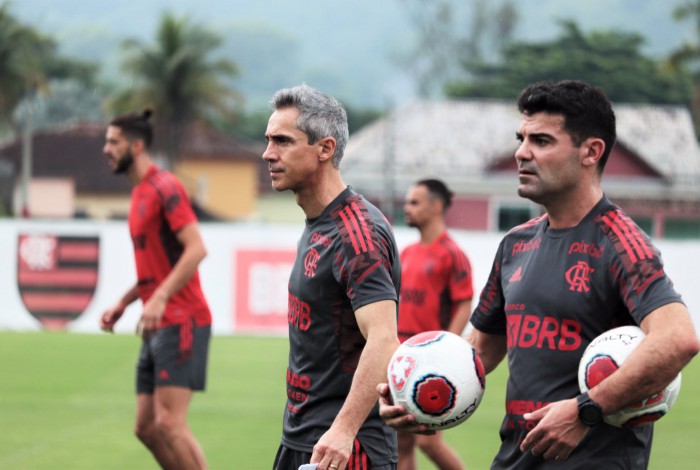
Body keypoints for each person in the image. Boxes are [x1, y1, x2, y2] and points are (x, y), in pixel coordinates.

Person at [378, 80, 700, 468]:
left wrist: (586, 410)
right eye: (522, 139)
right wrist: (417, 393)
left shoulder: (620, 242)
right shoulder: (515, 244)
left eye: (541, 141)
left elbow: (677, 339)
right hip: (515, 457)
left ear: (591, 152)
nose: (521, 153)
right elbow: (480, 349)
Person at [263, 84, 401, 470]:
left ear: (325, 149)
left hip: (345, 448)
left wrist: (343, 430)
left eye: (282, 141)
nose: (268, 153)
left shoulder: (357, 232)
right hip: (304, 437)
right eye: (268, 140)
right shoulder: (318, 222)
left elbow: (384, 338)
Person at [100, 109, 212, 470]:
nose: (106, 149)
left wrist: (160, 297)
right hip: (157, 323)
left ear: (136, 146)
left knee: (169, 423)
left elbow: (197, 249)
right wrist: (124, 302)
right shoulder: (139, 194)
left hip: (182, 318)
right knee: (147, 428)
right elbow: (156, 270)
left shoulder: (165, 186)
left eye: (113, 142)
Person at [397, 179, 473, 470]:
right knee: (401, 441)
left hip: (431, 360)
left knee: (428, 441)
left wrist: (448, 349)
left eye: (414, 202)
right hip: (403, 358)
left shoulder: (451, 253)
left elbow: (464, 302)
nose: (407, 208)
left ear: (436, 206)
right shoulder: (406, 253)